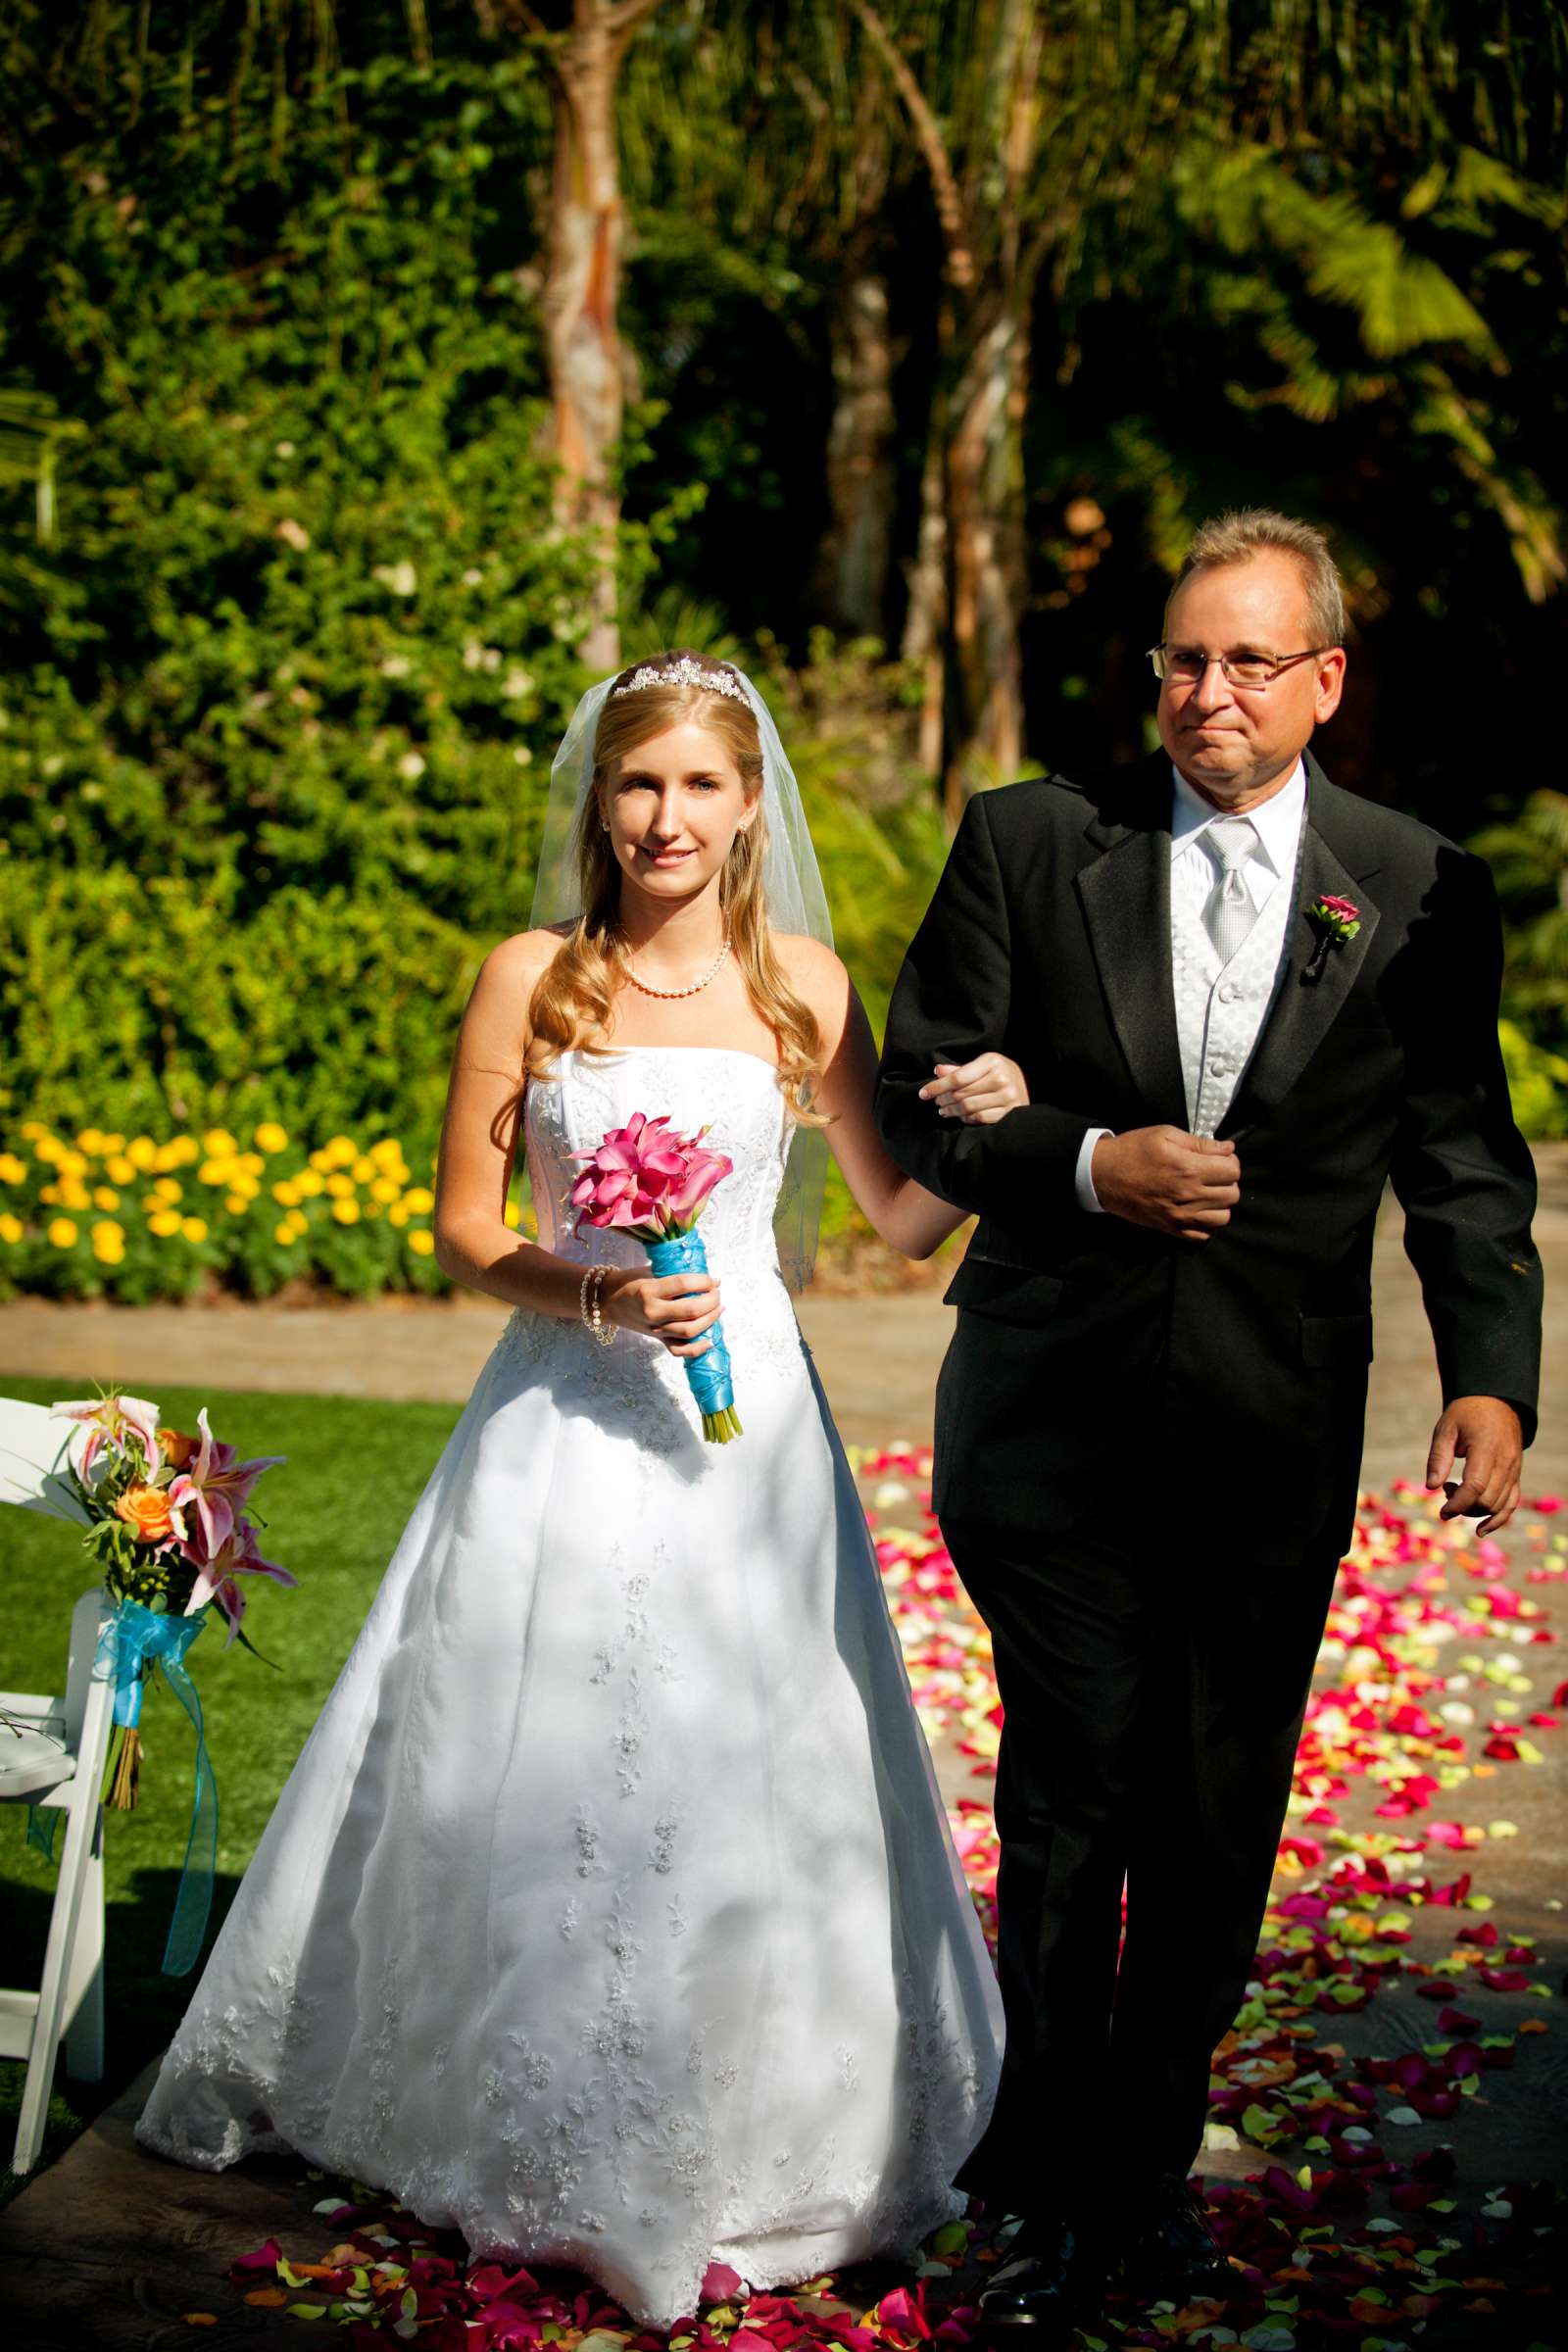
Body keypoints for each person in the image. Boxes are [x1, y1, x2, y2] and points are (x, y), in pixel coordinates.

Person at [135, 652, 1014, 2328]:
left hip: (746, 1447)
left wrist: (996, 1125)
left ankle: (772, 2130)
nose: (667, 818)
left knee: (745, 1762)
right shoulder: (530, 978)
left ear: (751, 802)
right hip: (562, 1420)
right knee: (528, 1765)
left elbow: (903, 1221)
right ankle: (507, 2116)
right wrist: (594, 1294)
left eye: (700, 785)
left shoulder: (807, 989)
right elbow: (467, 1228)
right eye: (639, 785)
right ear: (599, 803)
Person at [875, 511, 1542, 2331]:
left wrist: (1488, 1370)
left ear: (1325, 682)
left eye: (1249, 661)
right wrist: (1087, 1164)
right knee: (1075, 1787)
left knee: (1216, 1815)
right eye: (1183, 657)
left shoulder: (1415, 883)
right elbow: (922, 1098)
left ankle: (1142, 2181)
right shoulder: (1033, 839)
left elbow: (1465, 1166)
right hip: (1049, 1418)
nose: (1207, 693)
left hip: (1268, 1436)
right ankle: (1031, 2176)